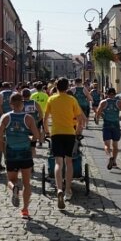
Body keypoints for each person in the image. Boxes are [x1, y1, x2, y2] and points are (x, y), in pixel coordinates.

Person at [43, 77, 86, 210]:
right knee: (69, 161)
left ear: (56, 86)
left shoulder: (51, 99)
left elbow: (45, 119)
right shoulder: (72, 100)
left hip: (56, 133)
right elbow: (80, 119)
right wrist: (78, 131)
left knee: (57, 162)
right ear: (67, 87)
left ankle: (59, 189)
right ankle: (68, 190)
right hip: (69, 133)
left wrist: (46, 132)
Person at [0, 93, 41, 219]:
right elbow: (36, 136)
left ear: (10, 104)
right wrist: (29, 138)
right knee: (27, 183)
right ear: (22, 104)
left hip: (11, 151)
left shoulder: (5, 117)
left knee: (10, 180)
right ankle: (25, 210)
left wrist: (7, 140)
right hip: (25, 152)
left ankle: (14, 188)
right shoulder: (28, 118)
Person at [96, 88, 121, 170]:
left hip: (107, 124)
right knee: (115, 144)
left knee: (106, 145)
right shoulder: (119, 102)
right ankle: (114, 161)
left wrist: (99, 118)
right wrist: (120, 117)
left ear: (107, 94)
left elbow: (98, 111)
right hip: (116, 125)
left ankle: (109, 157)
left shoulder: (103, 102)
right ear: (115, 94)